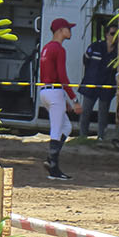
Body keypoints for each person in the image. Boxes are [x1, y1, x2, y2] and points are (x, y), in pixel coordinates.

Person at [39, 18, 80, 180]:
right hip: (55, 92)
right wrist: (74, 99)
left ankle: (51, 159)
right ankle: (53, 167)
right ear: (60, 30)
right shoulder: (59, 49)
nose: (70, 31)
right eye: (68, 28)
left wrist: (66, 101)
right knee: (56, 129)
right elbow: (62, 76)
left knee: (66, 126)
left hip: (46, 91)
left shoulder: (47, 48)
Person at [78, 22, 119, 142]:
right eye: (112, 33)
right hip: (92, 83)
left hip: (107, 85)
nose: (114, 36)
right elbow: (86, 60)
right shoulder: (95, 46)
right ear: (106, 34)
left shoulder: (118, 51)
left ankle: (101, 138)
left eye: (117, 34)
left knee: (103, 114)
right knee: (85, 111)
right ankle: (82, 137)